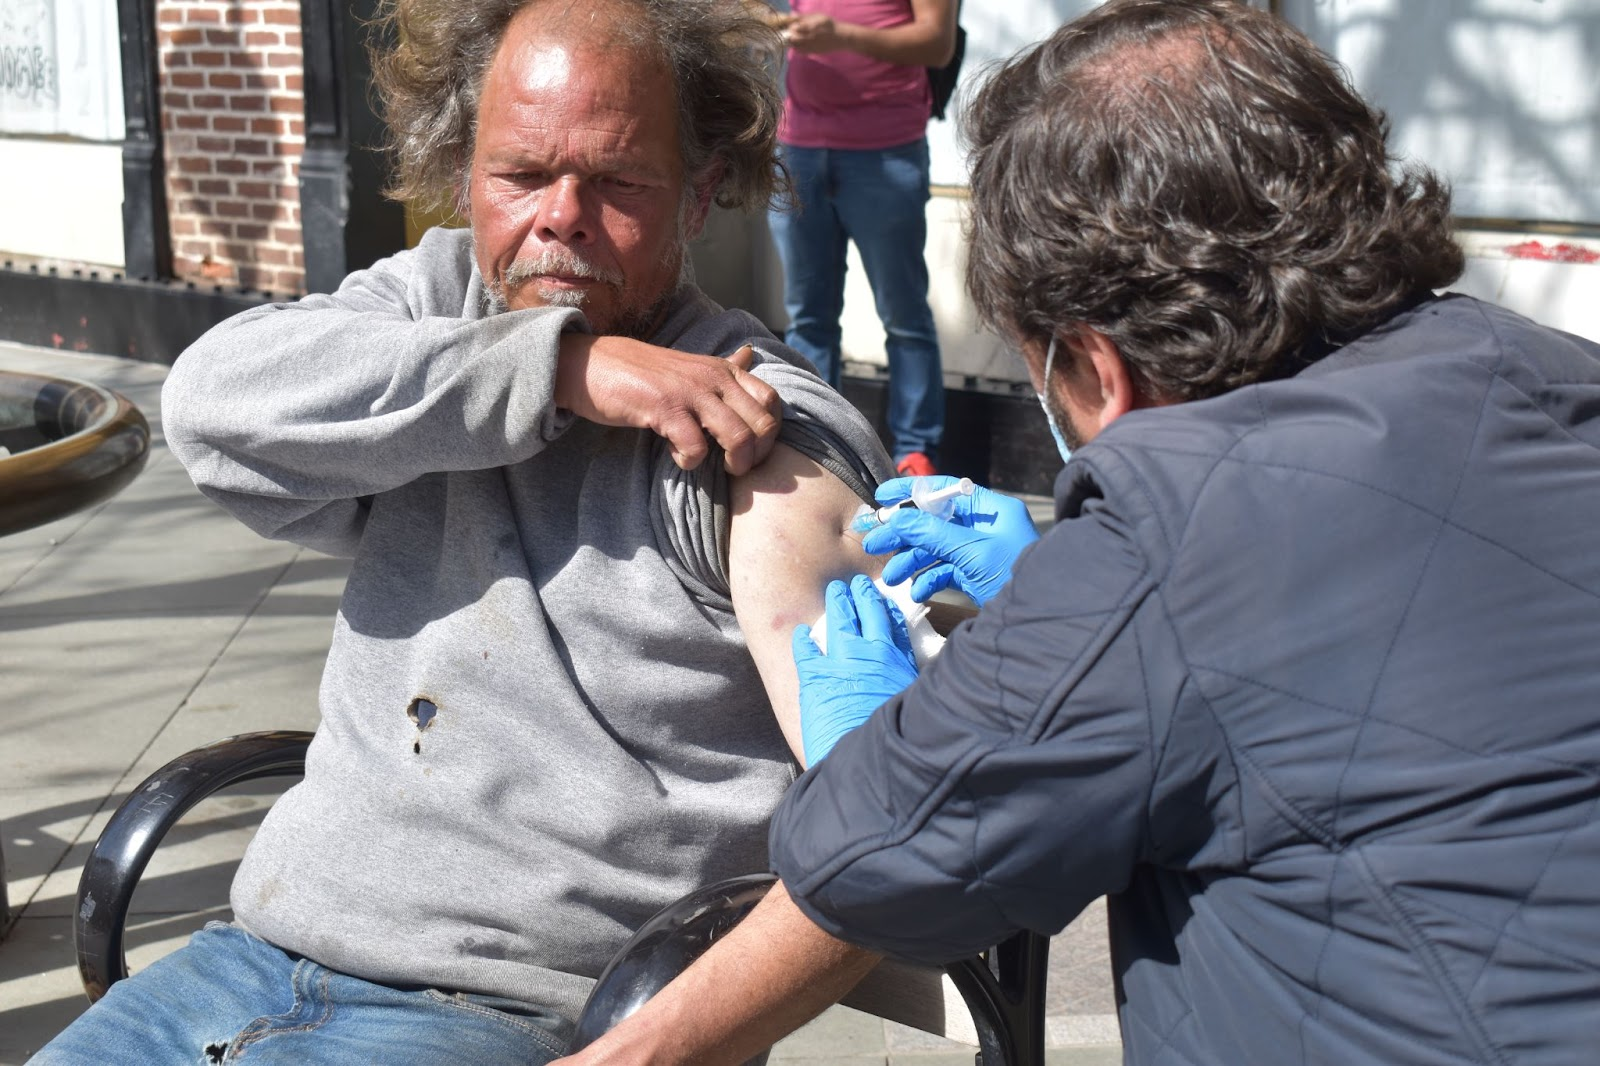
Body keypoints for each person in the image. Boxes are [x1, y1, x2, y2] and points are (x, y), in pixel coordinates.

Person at [558, 2, 1600, 1064]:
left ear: (1097, 367)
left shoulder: (1165, 536)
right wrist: (1068, 581)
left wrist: (872, 752)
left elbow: (881, 856)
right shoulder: (1559, 378)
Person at [33, 1, 890, 1062]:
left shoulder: (753, 430)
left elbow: (889, 824)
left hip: (507, 1009)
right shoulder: (440, 301)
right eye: (521, 176)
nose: (562, 218)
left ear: (701, 193)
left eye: (618, 183)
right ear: (462, 171)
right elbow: (209, 403)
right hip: (244, 961)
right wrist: (564, 367)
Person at [765, 0, 958, 478]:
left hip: (885, 151)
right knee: (808, 319)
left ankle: (915, 453)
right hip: (800, 147)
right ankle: (817, 449)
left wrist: (843, 35)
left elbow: (937, 42)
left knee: (904, 316)